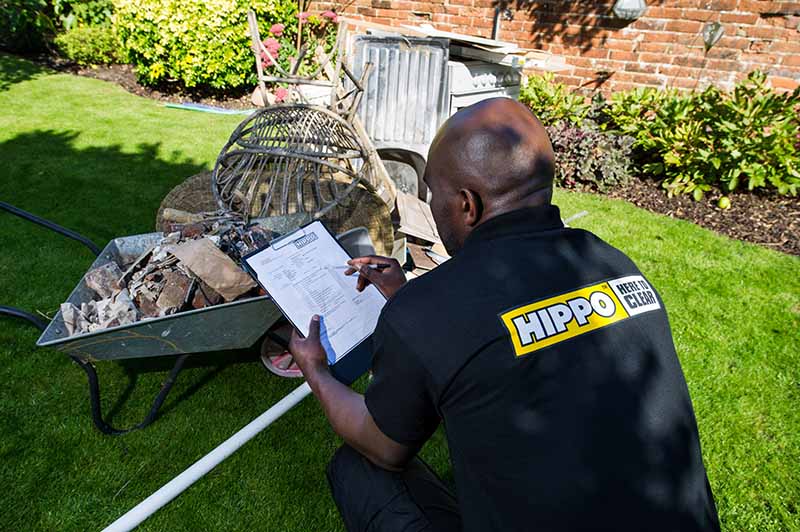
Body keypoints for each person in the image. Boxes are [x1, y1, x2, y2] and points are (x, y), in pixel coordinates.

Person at [288, 98, 720, 532]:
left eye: (433, 192)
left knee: (358, 468)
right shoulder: (609, 261)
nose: (431, 203)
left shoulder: (430, 312)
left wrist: (316, 369)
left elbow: (382, 445)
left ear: (467, 205)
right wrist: (411, 297)